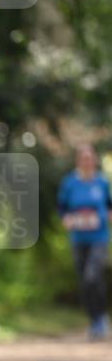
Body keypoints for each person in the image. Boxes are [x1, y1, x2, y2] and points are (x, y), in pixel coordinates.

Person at [57, 143, 111, 340]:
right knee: (84, 281)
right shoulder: (70, 183)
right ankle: (94, 320)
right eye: (84, 158)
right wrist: (67, 219)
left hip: (99, 237)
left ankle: (101, 319)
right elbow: (62, 208)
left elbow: (109, 205)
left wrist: (106, 216)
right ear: (78, 161)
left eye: (90, 158)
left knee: (92, 276)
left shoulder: (102, 183)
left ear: (94, 159)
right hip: (78, 238)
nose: (87, 161)